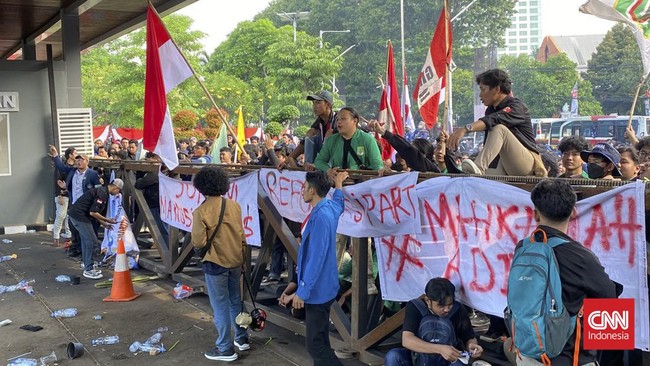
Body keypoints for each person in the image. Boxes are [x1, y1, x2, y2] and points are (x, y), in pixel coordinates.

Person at [505, 179, 621, 366]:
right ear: (574, 212)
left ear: (535, 215)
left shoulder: (523, 247)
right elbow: (610, 302)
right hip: (569, 359)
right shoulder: (581, 257)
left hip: (527, 352)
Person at [191, 166, 248, 362]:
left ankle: (225, 348)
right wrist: (243, 260)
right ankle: (242, 338)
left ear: (201, 187)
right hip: (235, 259)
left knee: (220, 306)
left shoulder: (201, 211)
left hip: (215, 262)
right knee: (235, 301)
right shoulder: (234, 206)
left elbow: (198, 242)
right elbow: (242, 235)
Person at [292, 170, 348, 366]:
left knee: (316, 345)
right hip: (323, 286)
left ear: (313, 190)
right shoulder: (329, 207)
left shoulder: (322, 215)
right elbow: (340, 204)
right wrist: (339, 184)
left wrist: (303, 291)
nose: (301, 191)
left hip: (318, 289)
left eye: (304, 187)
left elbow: (317, 257)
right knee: (320, 340)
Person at [447, 69, 545, 177]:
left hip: (527, 164)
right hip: (502, 164)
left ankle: (479, 168)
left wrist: (465, 129)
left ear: (497, 89)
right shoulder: (490, 110)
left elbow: (494, 119)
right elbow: (489, 143)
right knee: (481, 182)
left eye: (483, 90)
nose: (480, 95)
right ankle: (478, 171)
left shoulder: (517, 106)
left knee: (499, 128)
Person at [384, 277, 483, 366]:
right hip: (418, 359)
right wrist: (440, 349)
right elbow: (407, 340)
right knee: (393, 356)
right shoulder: (416, 307)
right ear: (427, 300)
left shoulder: (458, 309)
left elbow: (469, 337)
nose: (447, 309)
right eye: (441, 305)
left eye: (450, 304)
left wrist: (472, 346)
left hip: (448, 362)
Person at [66, 179, 123, 280]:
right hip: (79, 216)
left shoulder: (102, 191)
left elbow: (92, 212)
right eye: (119, 191)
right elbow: (93, 212)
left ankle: (87, 263)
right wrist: (107, 220)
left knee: (86, 240)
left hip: (77, 215)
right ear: (115, 187)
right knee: (91, 240)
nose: (118, 193)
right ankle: (88, 269)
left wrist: (103, 223)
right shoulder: (102, 194)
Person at [314, 106, 384, 179]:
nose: (339, 122)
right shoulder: (331, 140)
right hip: (337, 183)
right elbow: (319, 161)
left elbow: (378, 166)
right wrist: (328, 170)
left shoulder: (368, 139)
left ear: (355, 121)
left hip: (361, 185)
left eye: (343, 118)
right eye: (337, 119)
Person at [284, 90, 337, 170]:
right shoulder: (318, 122)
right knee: (310, 132)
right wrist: (286, 161)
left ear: (328, 105)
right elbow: (303, 143)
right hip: (324, 152)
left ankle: (321, 164)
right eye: (313, 103)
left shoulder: (338, 119)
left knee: (330, 133)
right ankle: (308, 164)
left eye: (318, 102)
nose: (314, 106)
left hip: (337, 154)